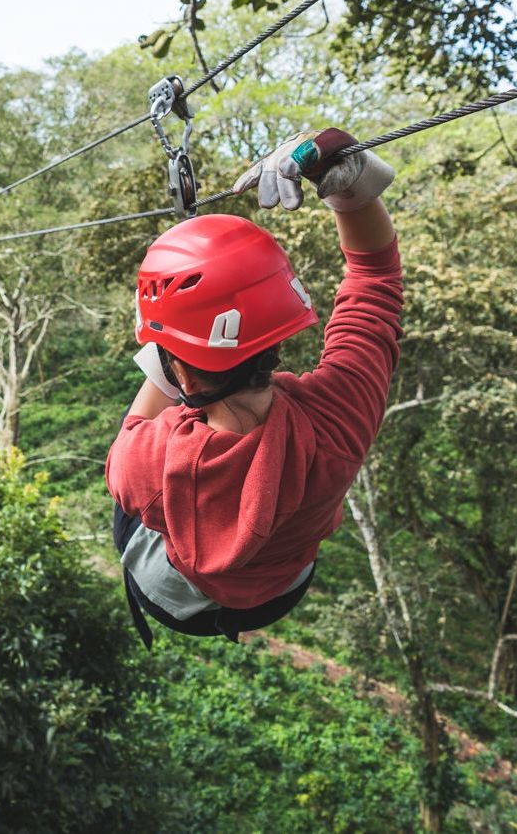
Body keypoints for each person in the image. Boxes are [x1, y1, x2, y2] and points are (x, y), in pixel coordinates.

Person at [105, 129, 403, 647]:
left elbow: (136, 429)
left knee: (123, 511)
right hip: (279, 589)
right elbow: (375, 281)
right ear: (278, 331)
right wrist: (351, 189)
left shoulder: (145, 462)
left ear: (183, 374)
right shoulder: (337, 418)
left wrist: (165, 334)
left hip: (178, 601)